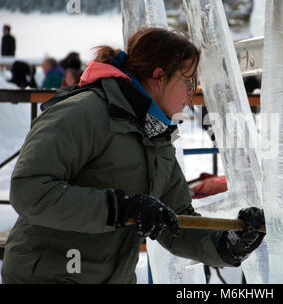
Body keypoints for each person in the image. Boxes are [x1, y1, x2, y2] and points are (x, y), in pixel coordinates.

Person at [1, 27, 265, 284]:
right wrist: (119, 208)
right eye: (188, 80)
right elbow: (29, 190)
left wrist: (226, 244)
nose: (192, 91)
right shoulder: (84, 112)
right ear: (159, 76)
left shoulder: (156, 135)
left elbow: (176, 219)